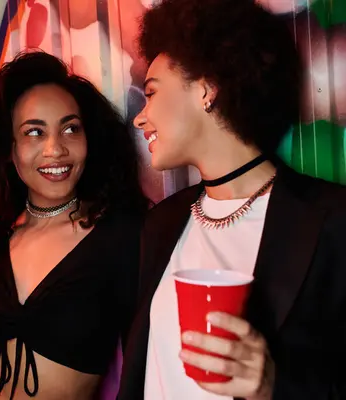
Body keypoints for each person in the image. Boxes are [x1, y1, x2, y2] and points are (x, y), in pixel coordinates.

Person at [118, 0, 346, 399]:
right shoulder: (161, 224)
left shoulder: (331, 221)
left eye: (152, 92)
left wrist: (276, 385)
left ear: (207, 89)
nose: (140, 116)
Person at [0, 50, 150, 400]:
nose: (55, 149)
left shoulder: (121, 236)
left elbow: (149, 362)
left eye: (70, 128)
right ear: (9, 150)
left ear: (91, 139)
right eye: (34, 133)